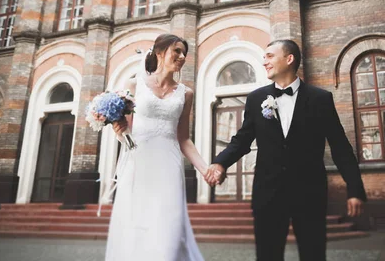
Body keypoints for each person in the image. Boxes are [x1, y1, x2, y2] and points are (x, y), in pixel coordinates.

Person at [206, 39, 367, 261]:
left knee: (313, 254)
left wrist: (355, 189)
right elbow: (242, 141)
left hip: (309, 192)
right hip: (268, 193)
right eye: (264, 57)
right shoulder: (256, 99)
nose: (265, 62)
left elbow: (340, 148)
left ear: (289, 59)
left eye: (270, 56)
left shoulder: (320, 99)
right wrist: (220, 162)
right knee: (268, 255)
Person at [106, 34, 208, 261]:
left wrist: (204, 169)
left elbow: (184, 139)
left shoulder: (186, 94)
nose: (182, 57)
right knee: (136, 225)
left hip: (169, 165)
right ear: (159, 53)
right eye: (177, 51)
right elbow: (127, 133)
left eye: (184, 53)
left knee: (169, 224)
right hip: (139, 163)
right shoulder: (134, 85)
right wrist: (120, 129)